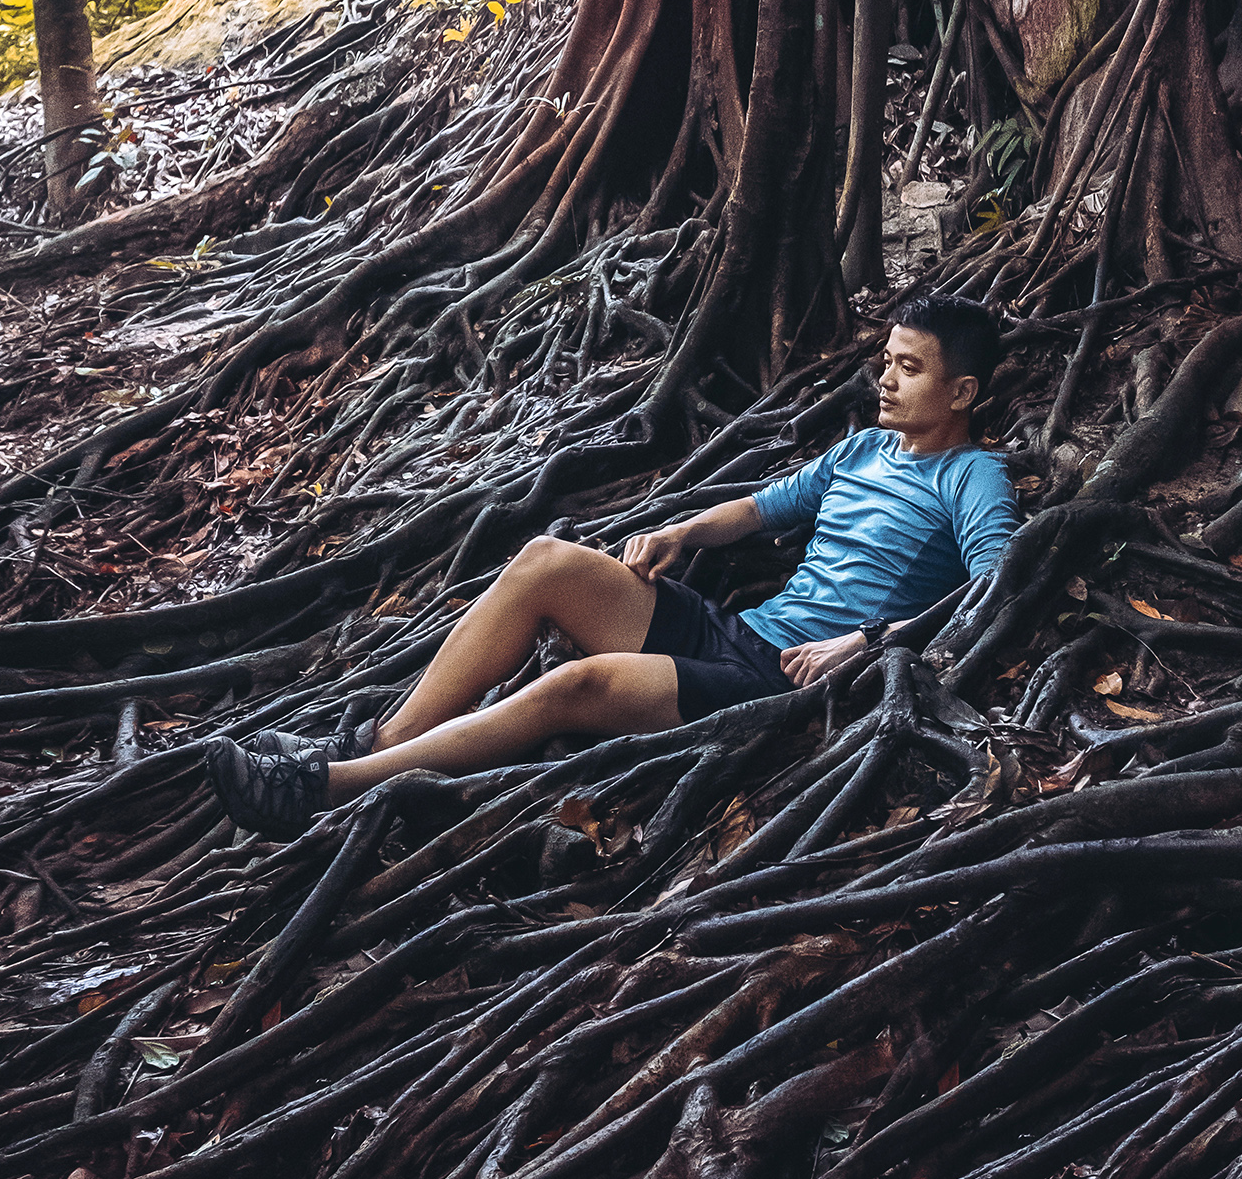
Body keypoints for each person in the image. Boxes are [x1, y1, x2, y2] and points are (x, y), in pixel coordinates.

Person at [207, 291, 1019, 839]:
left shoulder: (973, 477)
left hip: (785, 683)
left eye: (909, 369)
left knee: (575, 687)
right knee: (544, 562)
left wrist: (867, 643)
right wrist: (683, 533)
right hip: (740, 633)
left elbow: (995, 585)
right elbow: (763, 507)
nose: (885, 377)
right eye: (887, 360)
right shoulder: (866, 447)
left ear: (962, 393)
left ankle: (321, 792)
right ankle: (379, 742)